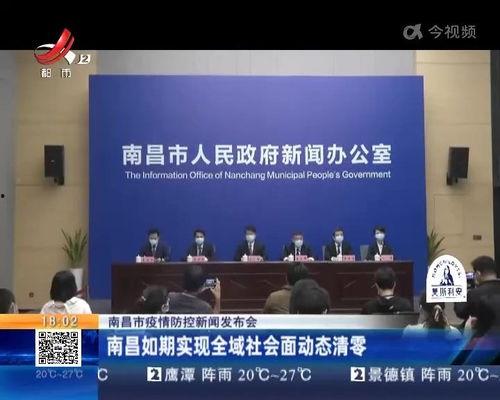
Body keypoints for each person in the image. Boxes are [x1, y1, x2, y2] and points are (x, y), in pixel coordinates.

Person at [454, 256, 500, 336]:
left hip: (483, 337)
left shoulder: (474, 294)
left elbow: (460, 312)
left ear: (478, 273)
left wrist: (459, 294)